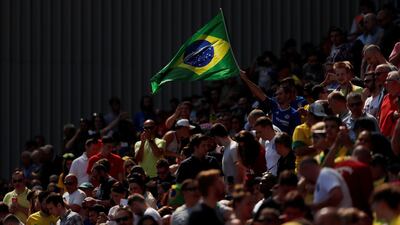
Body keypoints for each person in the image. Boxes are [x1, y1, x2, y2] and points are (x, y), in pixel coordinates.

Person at [240, 71, 301, 135]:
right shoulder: (274, 105)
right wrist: (246, 79)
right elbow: (259, 92)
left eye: (280, 94)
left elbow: (295, 134)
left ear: (288, 95)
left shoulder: (294, 114)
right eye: (276, 95)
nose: (277, 97)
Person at [379, 71, 400, 138]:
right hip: (383, 137)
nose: (385, 83)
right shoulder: (385, 97)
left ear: (396, 82)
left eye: (388, 80)